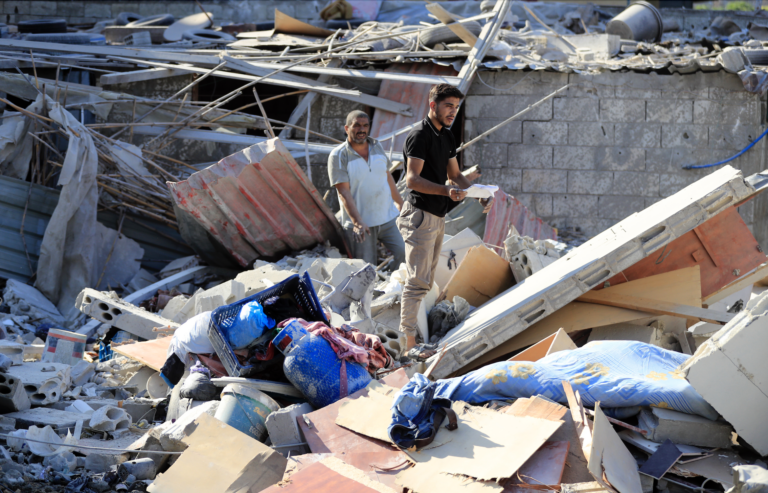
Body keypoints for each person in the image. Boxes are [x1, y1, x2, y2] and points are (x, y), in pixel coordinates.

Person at [398, 84, 493, 353]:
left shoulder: (447, 136)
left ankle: (414, 342)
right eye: (448, 105)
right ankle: (409, 347)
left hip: (436, 216)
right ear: (433, 106)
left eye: (456, 106)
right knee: (416, 283)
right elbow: (412, 180)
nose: (453, 111)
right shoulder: (419, 135)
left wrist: (479, 193)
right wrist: (446, 191)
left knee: (425, 282)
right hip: (419, 215)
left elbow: (455, 175)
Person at [328, 110, 405, 268]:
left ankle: (393, 287)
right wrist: (357, 221)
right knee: (365, 268)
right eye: (356, 125)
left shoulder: (377, 147)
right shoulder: (338, 156)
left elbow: (387, 176)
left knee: (404, 253)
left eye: (365, 125)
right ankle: (376, 291)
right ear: (347, 128)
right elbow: (343, 192)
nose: (361, 129)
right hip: (362, 224)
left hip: (388, 217)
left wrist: (400, 203)